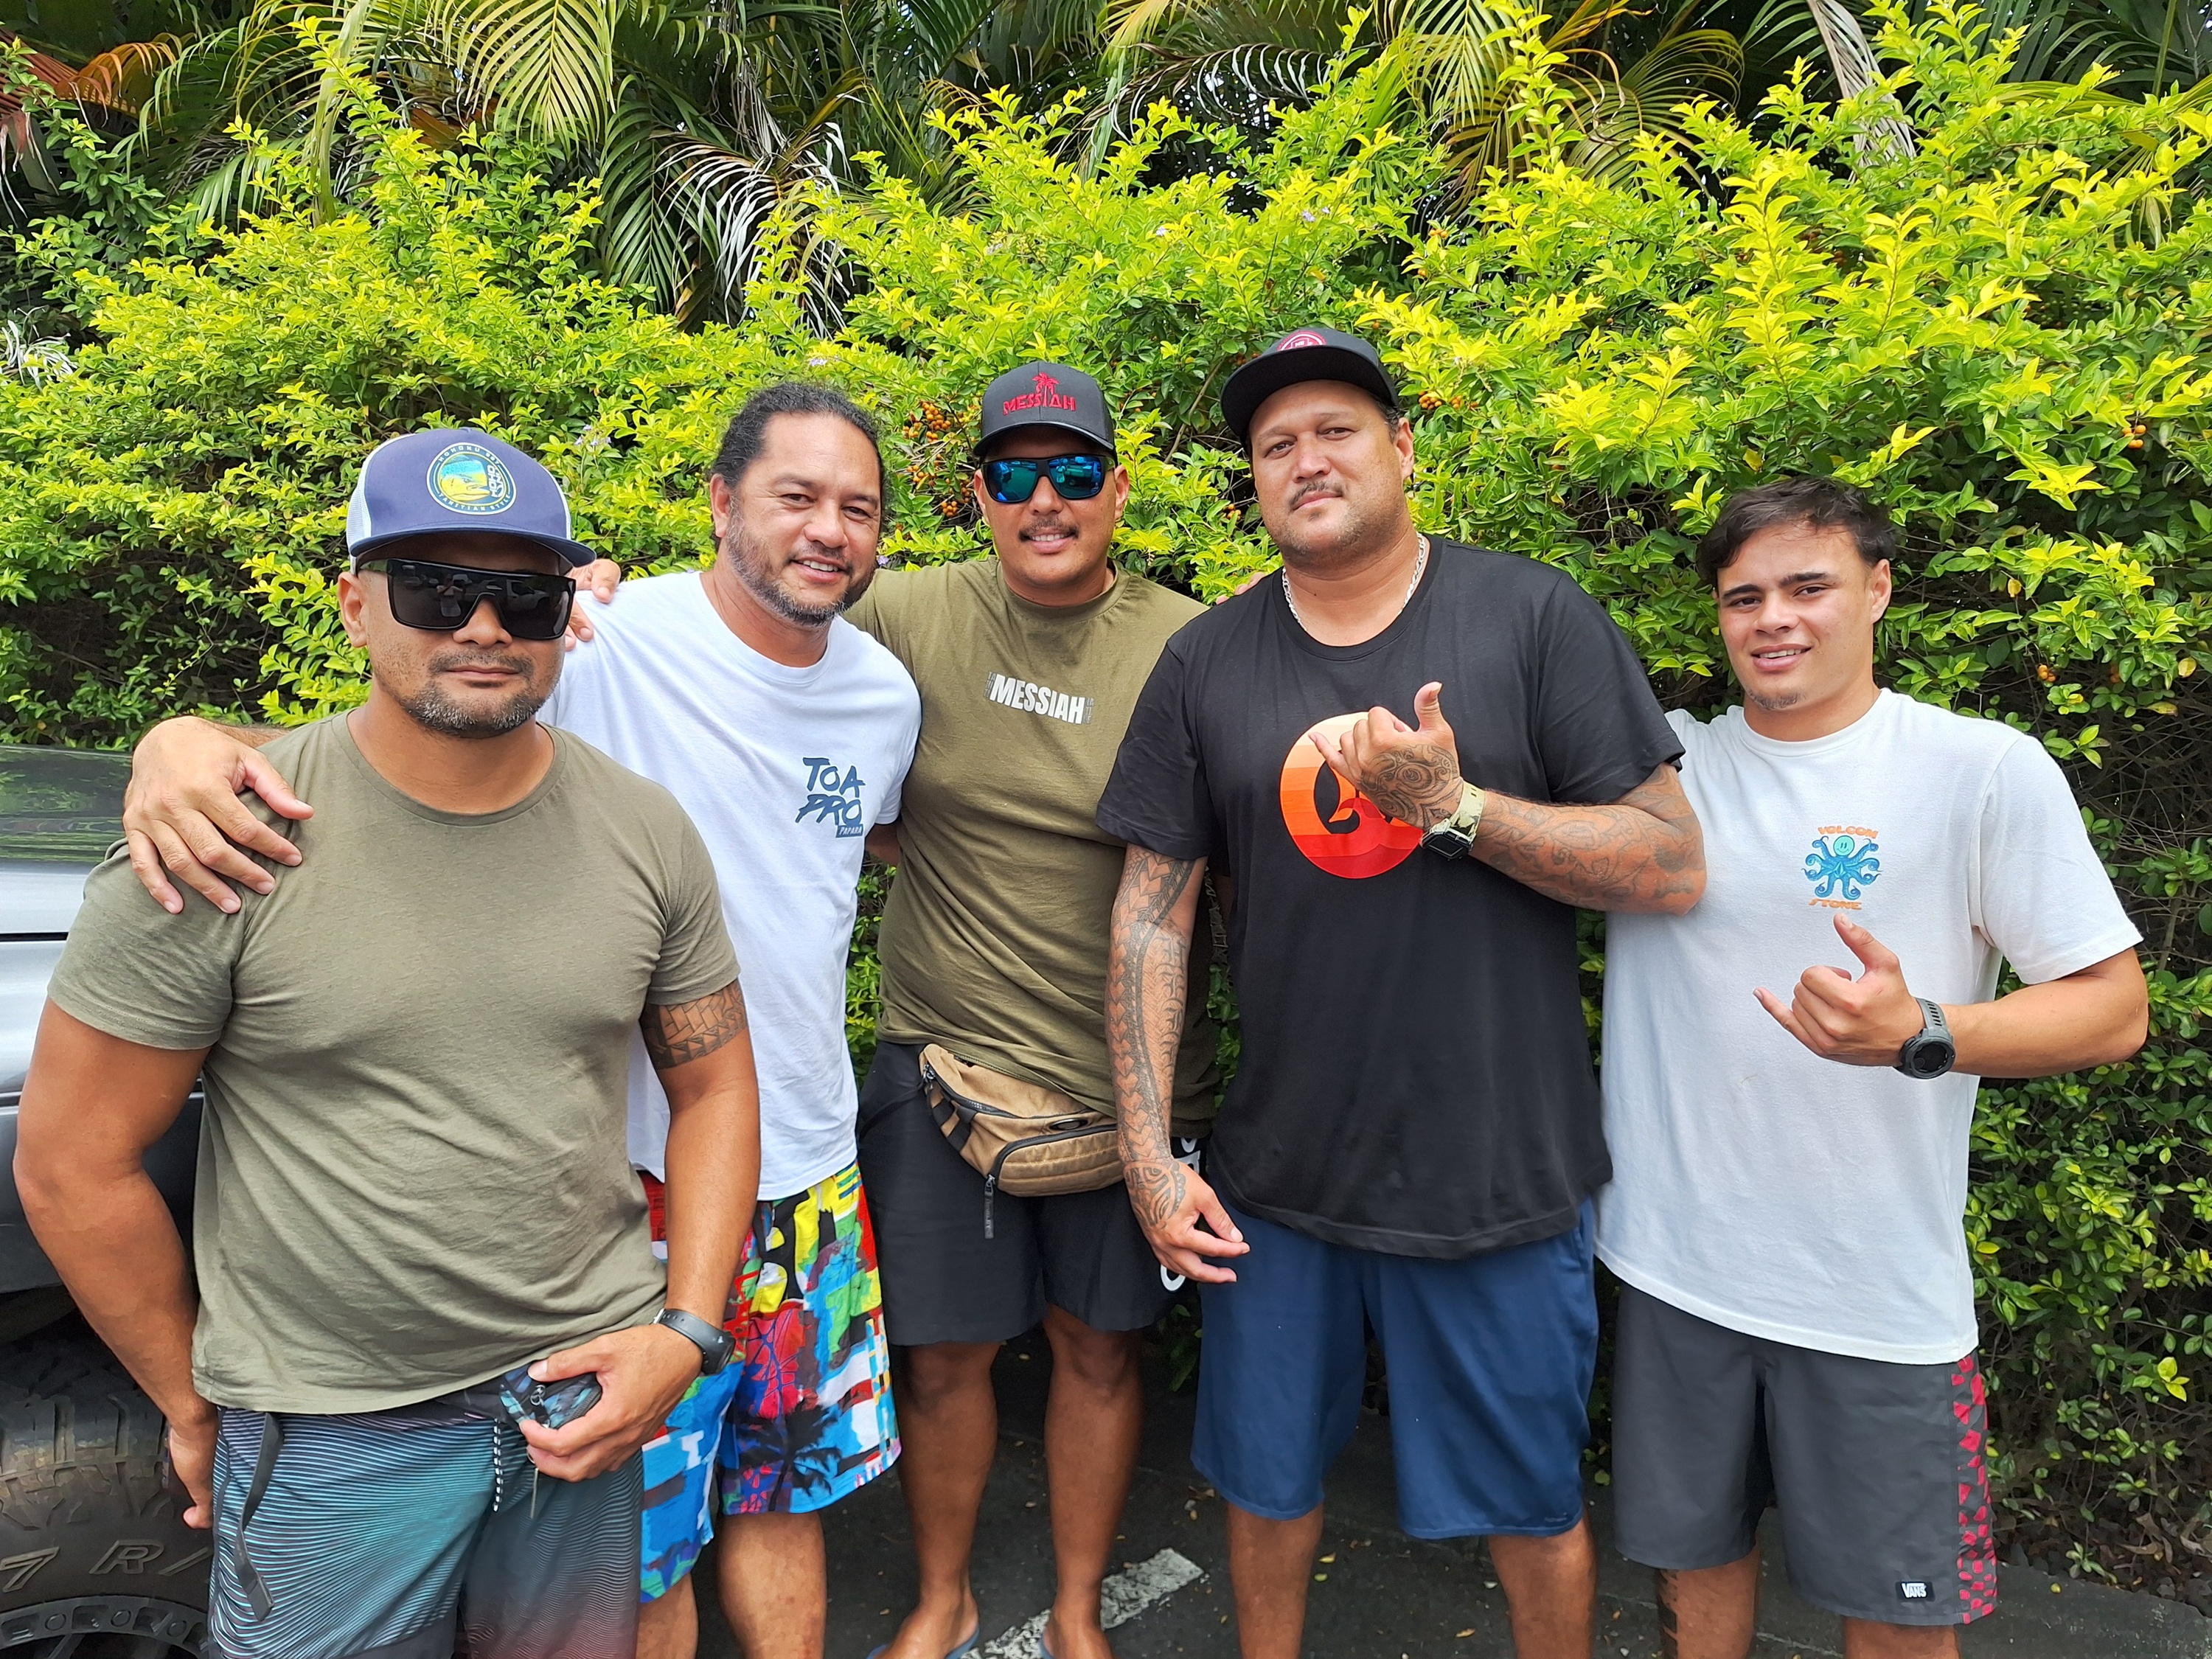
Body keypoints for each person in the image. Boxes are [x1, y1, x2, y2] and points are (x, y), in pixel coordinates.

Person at [116, 386, 921, 1659]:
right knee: (644, 1530)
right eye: (796, 498)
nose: (828, 529)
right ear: (719, 504)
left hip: (810, 1164)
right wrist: (180, 745)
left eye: (858, 508)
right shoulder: (600, 630)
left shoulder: (884, 695)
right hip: (631, 1179)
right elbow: (406, 736)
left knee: (784, 1498)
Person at [15, 428, 759, 1659]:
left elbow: (717, 1084)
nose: (481, 623)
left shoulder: (645, 831)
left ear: (567, 614)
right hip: (331, 1429)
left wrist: (683, 1330)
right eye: (432, 585)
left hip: (580, 1395)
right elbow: (70, 1158)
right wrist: (190, 1395)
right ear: (357, 603)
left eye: (524, 592)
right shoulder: (228, 838)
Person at [1096, 326, 1706, 1659]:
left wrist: (1459, 807)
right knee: (1265, 1488)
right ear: (1253, 483)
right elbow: (1153, 914)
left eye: (1337, 430)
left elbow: (1669, 860)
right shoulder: (1207, 662)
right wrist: (1148, 1151)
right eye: (1275, 445)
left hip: (1497, 1172)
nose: (1306, 459)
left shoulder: (1530, 614)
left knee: (1534, 1504)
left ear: (1402, 447)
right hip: (1279, 1178)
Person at [1594, 477, 2148, 1659]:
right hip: (1671, 1269)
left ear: (1880, 589)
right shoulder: (1663, 767)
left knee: (1899, 1629)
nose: (1773, 619)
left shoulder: (1979, 769)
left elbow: (2113, 1010)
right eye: (1744, 597)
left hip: (1873, 1297)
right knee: (1693, 1588)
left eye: (1809, 586)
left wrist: (1923, 1028)